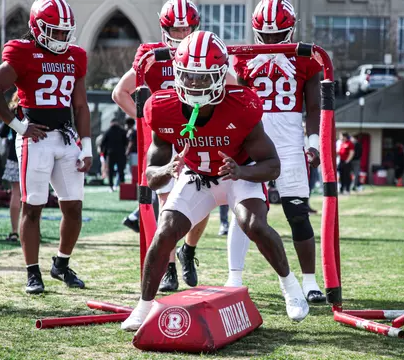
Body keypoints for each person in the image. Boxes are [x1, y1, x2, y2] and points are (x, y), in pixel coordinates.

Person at [121, 31, 309, 331]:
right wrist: (169, 169)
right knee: (165, 230)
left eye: (204, 77)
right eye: (189, 76)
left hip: (237, 173)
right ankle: (143, 307)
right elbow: (150, 177)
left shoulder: (242, 104)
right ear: (178, 74)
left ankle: (291, 287)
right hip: (196, 175)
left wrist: (241, 171)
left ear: (222, 76)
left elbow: (273, 166)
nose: (195, 84)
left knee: (254, 224)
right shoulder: (161, 107)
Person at [112, 0, 236, 291]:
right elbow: (120, 92)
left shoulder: (204, 51)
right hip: (168, 140)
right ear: (164, 28)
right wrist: (149, 121)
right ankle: (169, 269)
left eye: (186, 29)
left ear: (194, 26)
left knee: (202, 206)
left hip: (199, 137)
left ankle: (188, 251)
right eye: (175, 29)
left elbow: (235, 85)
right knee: (166, 204)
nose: (181, 35)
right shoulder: (151, 55)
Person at [0, 0, 92, 294]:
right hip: (36, 138)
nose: (60, 38)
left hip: (66, 137)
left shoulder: (75, 56)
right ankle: (33, 272)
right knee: (33, 207)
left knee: (74, 207)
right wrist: (18, 126)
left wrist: (88, 146)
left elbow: (80, 105)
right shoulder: (23, 51)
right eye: (54, 32)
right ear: (37, 28)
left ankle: (61, 264)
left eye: (64, 32)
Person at [228, 0, 325, 303]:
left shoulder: (306, 59)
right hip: (253, 138)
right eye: (266, 35)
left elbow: (314, 106)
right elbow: (238, 100)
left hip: (289, 141)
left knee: (297, 212)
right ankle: (234, 277)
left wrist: (313, 143)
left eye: (277, 35)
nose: (270, 41)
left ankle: (309, 281)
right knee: (243, 212)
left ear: (290, 30)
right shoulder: (243, 58)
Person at [0, 91, 21, 242]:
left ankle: (14, 231)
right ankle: (33, 229)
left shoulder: (13, 111)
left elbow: (2, 132)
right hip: (34, 155)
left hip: (14, 156)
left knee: (16, 193)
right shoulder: (35, 108)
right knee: (32, 195)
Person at [100, 119, 127, 192]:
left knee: (110, 171)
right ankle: (123, 187)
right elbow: (126, 142)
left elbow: (102, 143)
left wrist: (104, 153)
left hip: (110, 154)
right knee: (121, 171)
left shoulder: (108, 131)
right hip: (120, 153)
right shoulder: (122, 131)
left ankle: (111, 186)